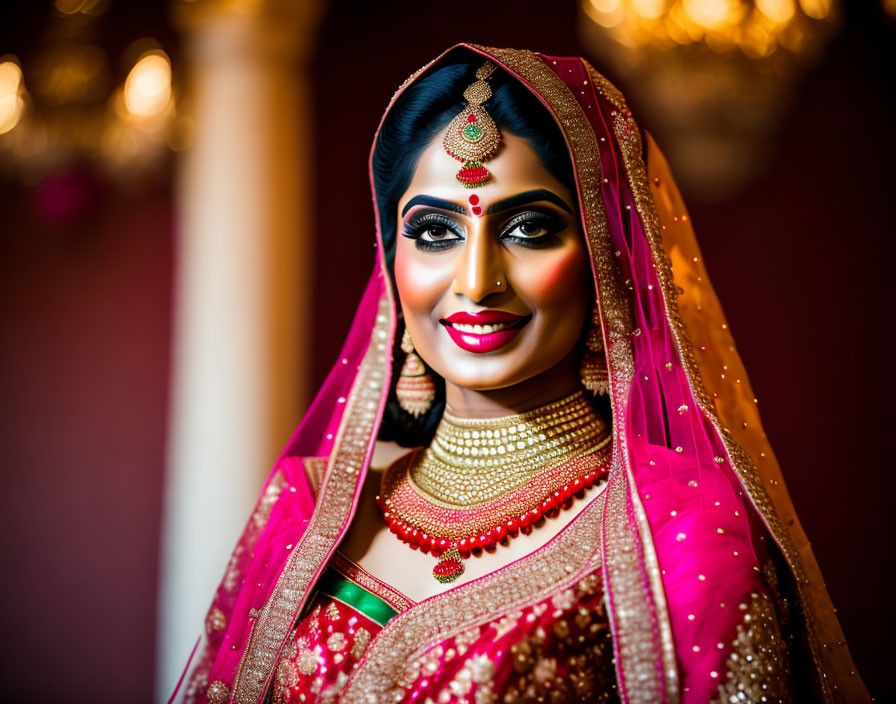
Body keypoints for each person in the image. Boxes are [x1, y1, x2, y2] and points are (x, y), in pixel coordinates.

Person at [171, 45, 868, 704]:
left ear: (605, 261)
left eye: (528, 229)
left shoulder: (675, 526)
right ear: (392, 265)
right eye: (436, 232)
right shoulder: (307, 508)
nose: (477, 281)